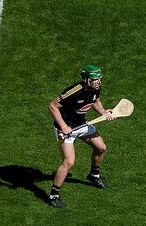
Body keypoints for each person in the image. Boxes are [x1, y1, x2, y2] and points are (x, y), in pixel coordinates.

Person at [46, 65, 115, 208]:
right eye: (95, 79)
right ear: (86, 79)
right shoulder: (74, 91)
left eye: (99, 79)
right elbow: (52, 106)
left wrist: (102, 112)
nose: (98, 82)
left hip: (82, 125)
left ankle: (94, 175)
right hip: (65, 129)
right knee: (69, 162)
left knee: (101, 148)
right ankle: (53, 196)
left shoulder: (96, 88)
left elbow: (95, 101)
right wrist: (64, 127)